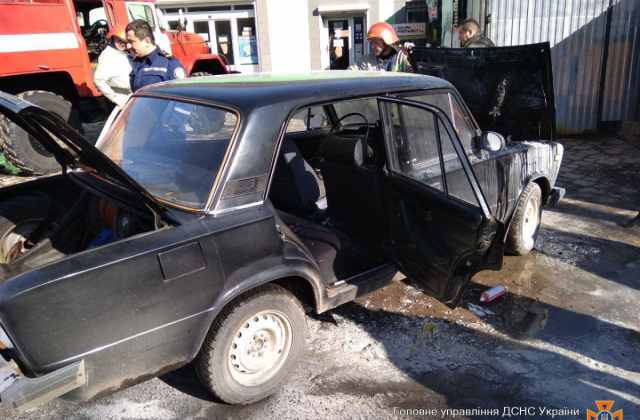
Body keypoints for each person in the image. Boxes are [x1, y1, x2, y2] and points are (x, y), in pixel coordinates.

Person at [126, 19, 187, 92]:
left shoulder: (169, 64)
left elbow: (182, 95)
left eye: (131, 42)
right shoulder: (136, 63)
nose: (128, 46)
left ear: (146, 41)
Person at [94, 25, 132, 109]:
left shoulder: (127, 53)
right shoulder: (108, 55)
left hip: (130, 98)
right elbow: (99, 80)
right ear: (112, 39)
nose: (122, 44)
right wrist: (116, 100)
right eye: (119, 40)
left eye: (125, 41)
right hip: (121, 100)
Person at [349, 22, 414, 72]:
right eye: (372, 42)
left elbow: (416, 73)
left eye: (376, 43)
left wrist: (412, 57)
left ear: (388, 43)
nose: (372, 46)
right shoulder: (365, 61)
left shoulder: (402, 58)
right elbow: (350, 73)